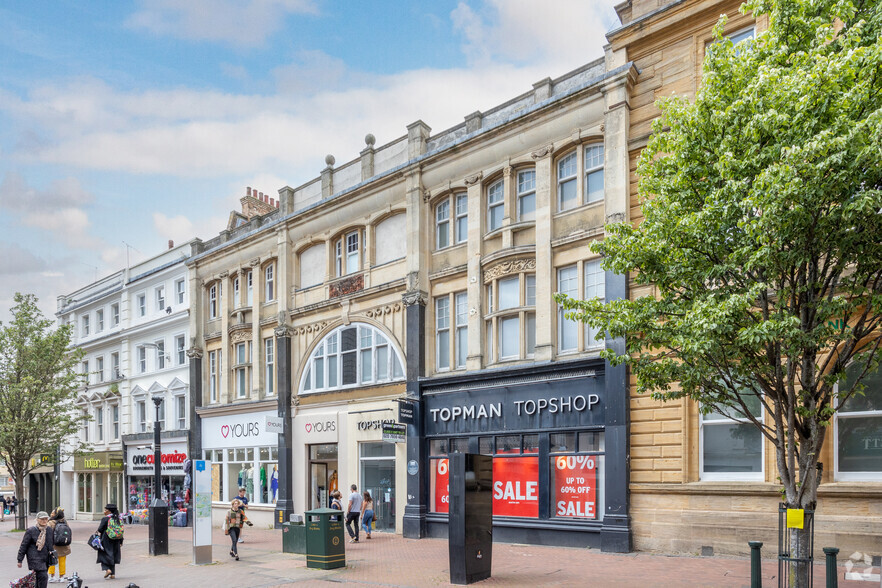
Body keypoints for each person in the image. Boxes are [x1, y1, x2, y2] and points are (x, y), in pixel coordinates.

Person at [16, 511, 55, 588]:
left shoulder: (49, 530)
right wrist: (19, 560)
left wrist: (53, 556)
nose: (44, 521)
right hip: (35, 558)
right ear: (37, 520)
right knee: (43, 576)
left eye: (46, 519)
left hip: (45, 559)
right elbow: (24, 545)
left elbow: (51, 544)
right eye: (42, 519)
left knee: (38, 578)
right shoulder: (31, 531)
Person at [96, 503, 123, 579]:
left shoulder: (105, 519)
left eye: (105, 510)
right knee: (113, 555)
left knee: (103, 554)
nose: (104, 511)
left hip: (106, 539)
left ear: (109, 511)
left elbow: (100, 529)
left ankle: (107, 569)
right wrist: (121, 541)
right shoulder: (118, 518)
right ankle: (113, 574)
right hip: (117, 539)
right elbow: (121, 530)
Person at [47, 508, 71, 584]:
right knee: (62, 561)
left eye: (52, 513)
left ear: (56, 514)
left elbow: (47, 533)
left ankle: (52, 576)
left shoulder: (51, 522)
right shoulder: (65, 522)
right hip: (64, 545)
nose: (51, 514)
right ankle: (62, 577)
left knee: (52, 561)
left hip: (54, 545)